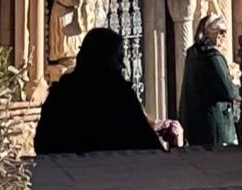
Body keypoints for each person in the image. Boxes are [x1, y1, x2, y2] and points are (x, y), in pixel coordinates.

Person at [33, 25, 167, 156]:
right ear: (106, 59)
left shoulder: (62, 92)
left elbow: (42, 144)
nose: (123, 66)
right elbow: (148, 145)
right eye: (119, 59)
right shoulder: (119, 95)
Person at [176, 11, 239, 149]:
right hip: (214, 126)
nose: (223, 36)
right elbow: (229, 92)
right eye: (220, 32)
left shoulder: (192, 53)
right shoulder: (213, 57)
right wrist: (236, 85)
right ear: (209, 32)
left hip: (195, 124)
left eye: (225, 32)